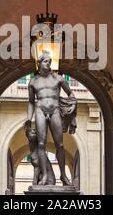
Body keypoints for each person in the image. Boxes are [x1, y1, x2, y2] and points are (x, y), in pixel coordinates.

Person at [24, 52, 76, 186]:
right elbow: (31, 102)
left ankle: (63, 175)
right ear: (39, 63)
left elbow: (71, 94)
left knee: (60, 144)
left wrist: (74, 104)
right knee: (41, 144)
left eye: (49, 61)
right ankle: (45, 176)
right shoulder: (33, 81)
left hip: (55, 110)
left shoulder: (58, 79)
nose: (48, 63)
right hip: (40, 109)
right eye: (46, 61)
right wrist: (29, 119)